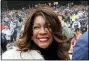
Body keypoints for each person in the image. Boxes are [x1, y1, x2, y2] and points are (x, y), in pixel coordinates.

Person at [2, 6, 69, 60]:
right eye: (37, 27)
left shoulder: (63, 56)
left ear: (55, 30)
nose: (42, 32)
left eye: (48, 26)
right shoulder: (14, 57)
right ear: (30, 32)